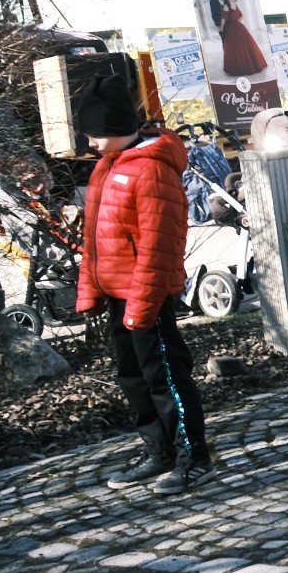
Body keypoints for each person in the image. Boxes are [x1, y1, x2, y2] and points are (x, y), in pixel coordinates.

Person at [74, 72, 211, 492]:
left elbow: (159, 247)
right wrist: (90, 290)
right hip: (119, 294)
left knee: (167, 378)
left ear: (116, 127)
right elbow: (94, 238)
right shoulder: (106, 166)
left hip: (146, 298)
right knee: (133, 378)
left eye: (95, 134)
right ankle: (158, 451)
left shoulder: (151, 170)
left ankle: (194, 458)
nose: (89, 143)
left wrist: (142, 305)